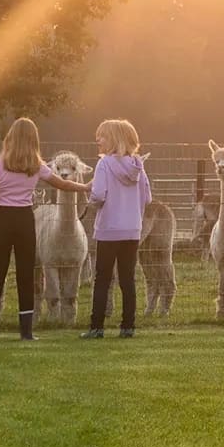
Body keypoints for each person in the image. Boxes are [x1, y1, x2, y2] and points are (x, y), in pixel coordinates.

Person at [0, 118, 89, 341]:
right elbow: (62, 184)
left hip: (2, 219)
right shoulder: (37, 166)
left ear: (10, 137)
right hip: (25, 220)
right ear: (33, 140)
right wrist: (85, 186)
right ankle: (26, 332)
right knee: (26, 275)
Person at [83, 119, 153, 339]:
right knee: (127, 279)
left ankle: (96, 327)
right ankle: (128, 326)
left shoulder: (104, 165)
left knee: (103, 278)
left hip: (109, 229)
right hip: (132, 230)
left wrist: (90, 201)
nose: (98, 140)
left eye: (101, 136)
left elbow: (98, 195)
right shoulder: (138, 166)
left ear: (114, 139)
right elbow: (148, 197)